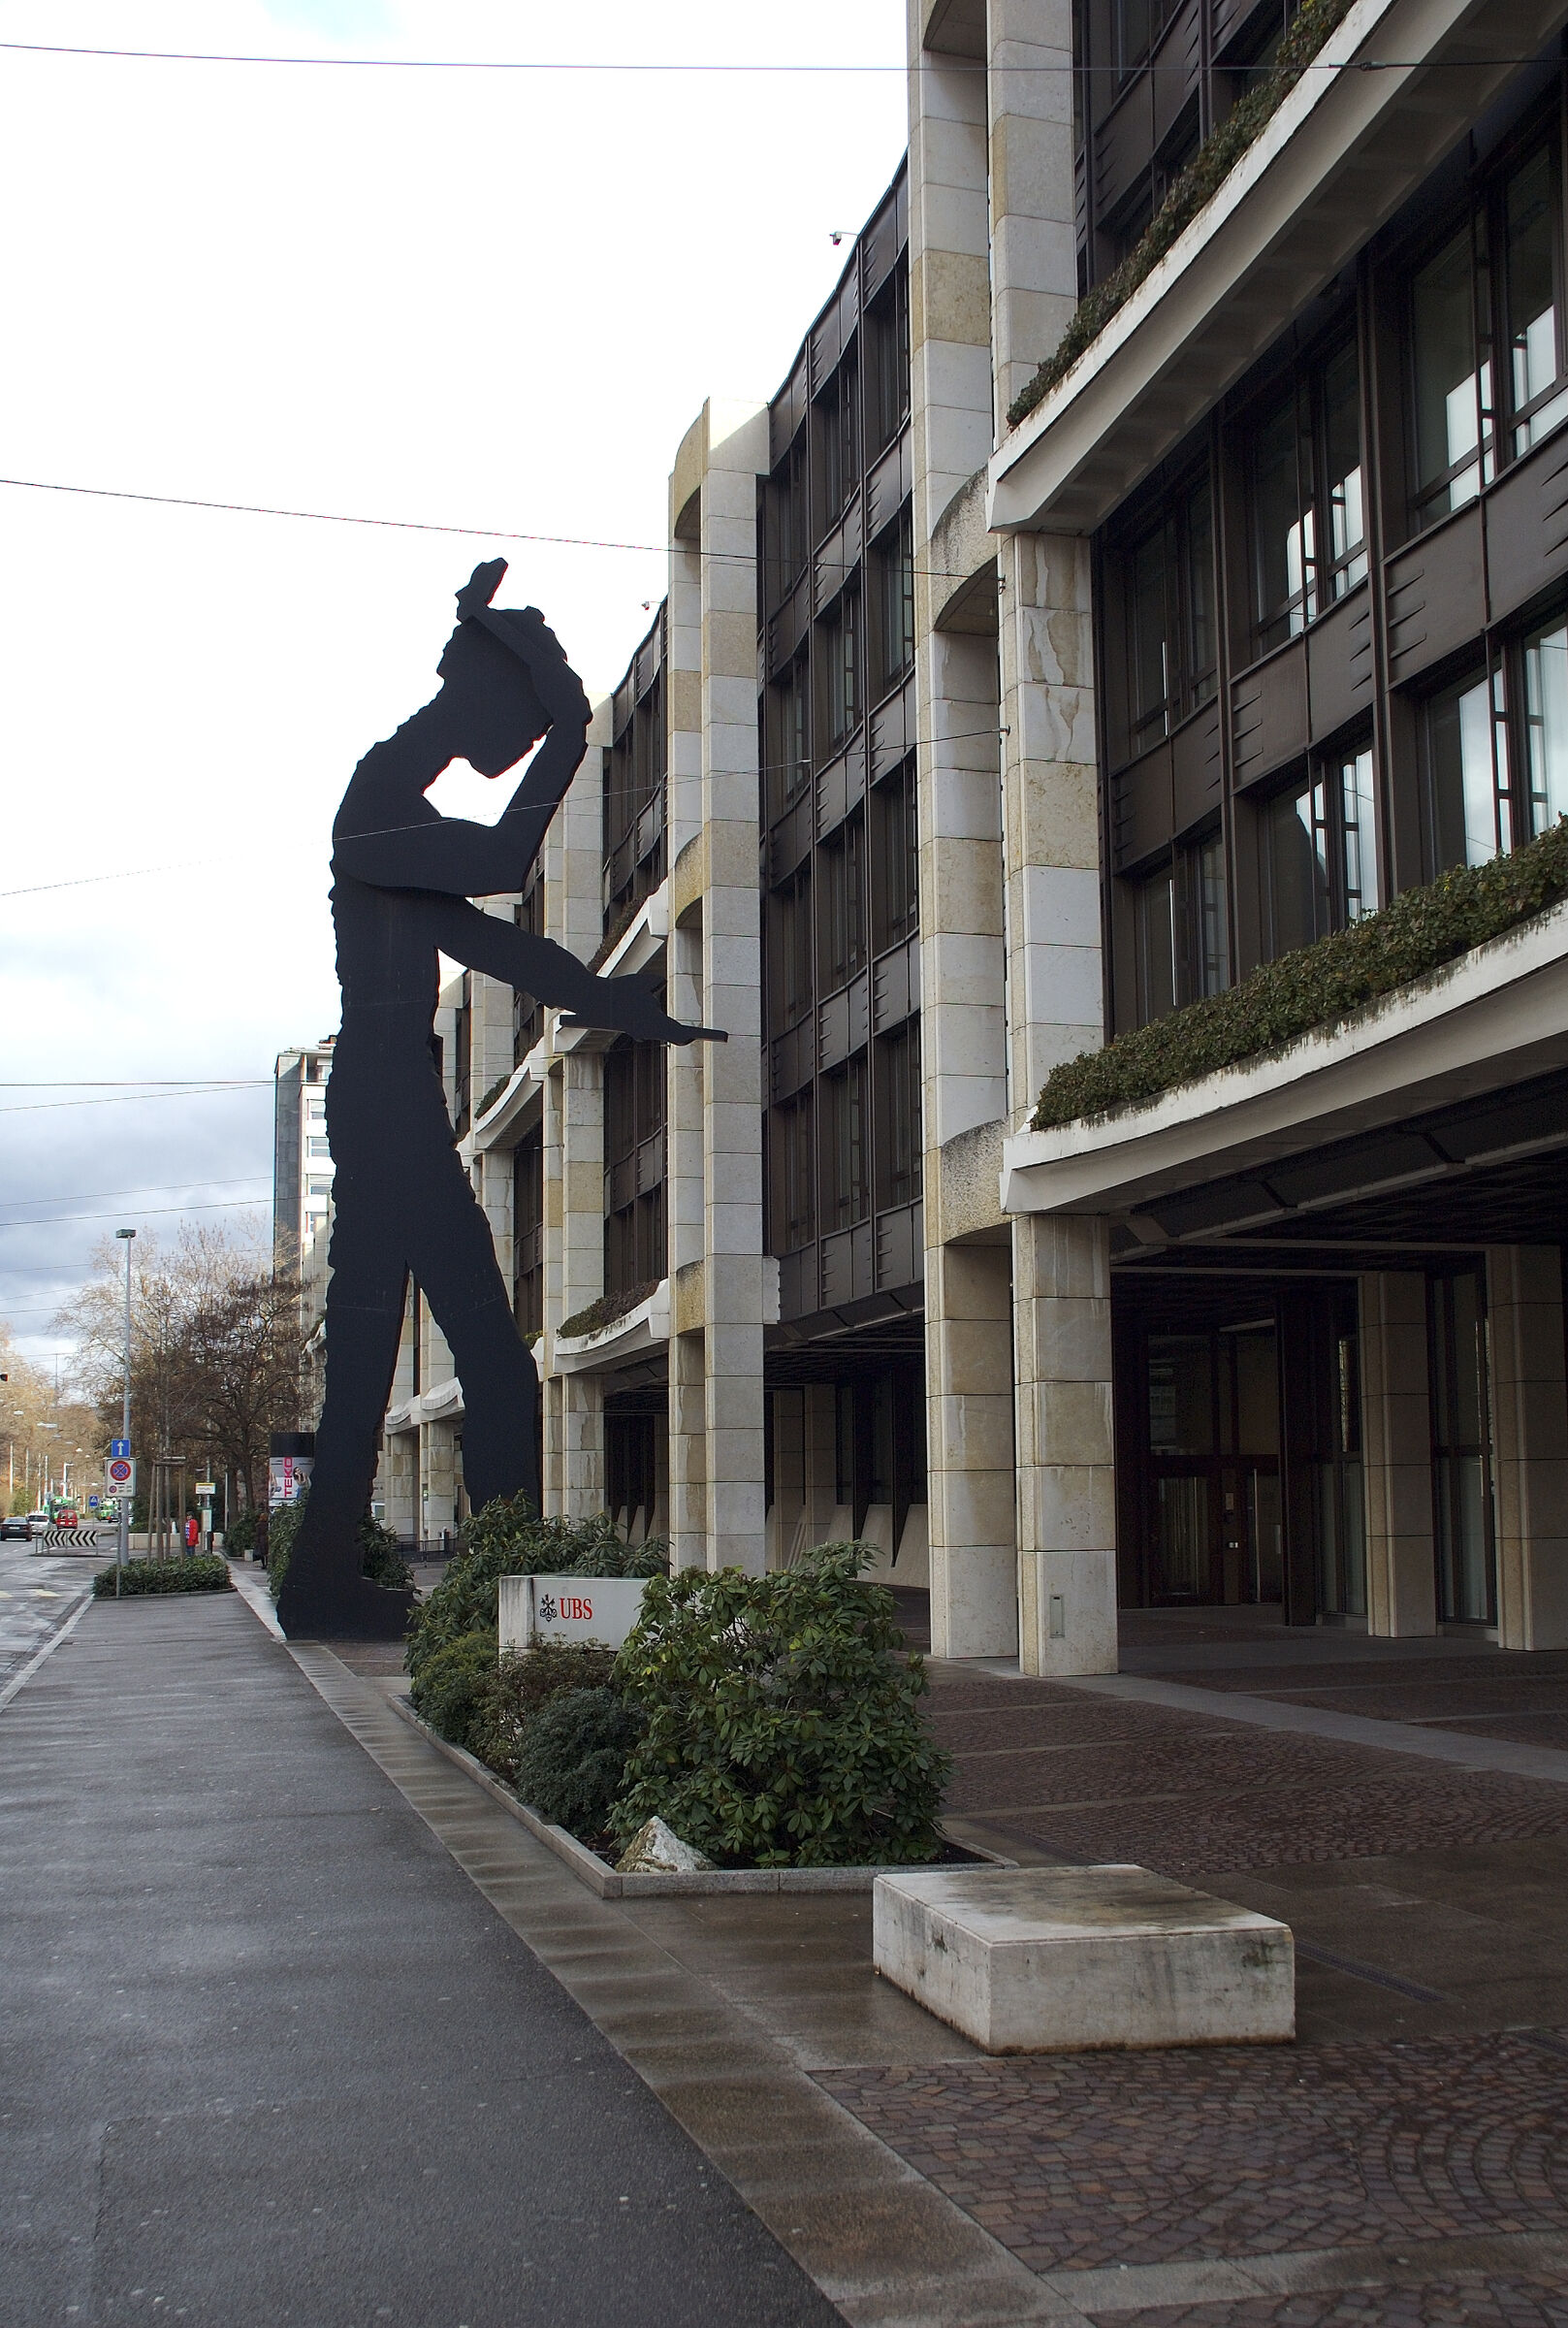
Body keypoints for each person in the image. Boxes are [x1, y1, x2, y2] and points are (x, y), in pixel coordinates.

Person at [275, 563, 720, 1640]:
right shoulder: (375, 805)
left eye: (531, 739)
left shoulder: (393, 813)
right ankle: (501, 1592)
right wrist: (572, 731)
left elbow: (497, 946)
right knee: (489, 1364)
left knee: (387, 1361)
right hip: (387, 1104)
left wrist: (618, 1004)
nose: (518, 750)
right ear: (476, 693)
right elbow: (504, 859)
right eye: (519, 727)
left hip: (388, 1101)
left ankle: (335, 1579)